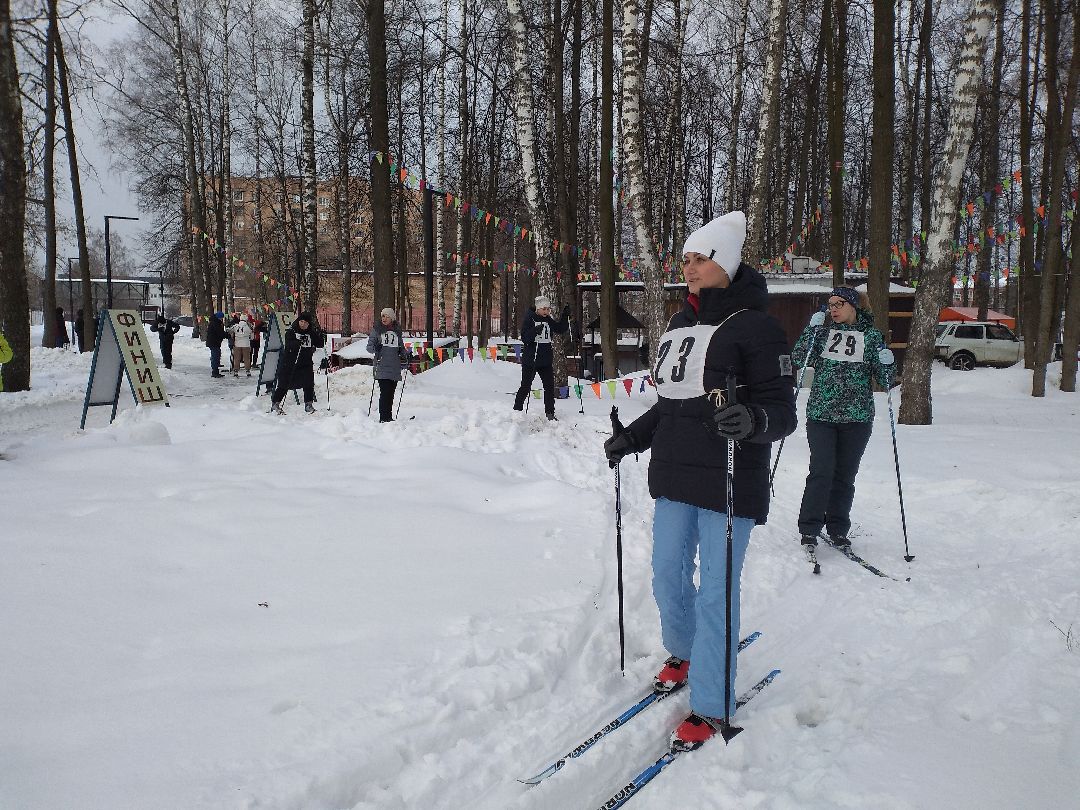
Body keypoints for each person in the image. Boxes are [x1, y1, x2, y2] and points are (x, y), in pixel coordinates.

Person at [603, 211, 797, 751]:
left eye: (699, 259)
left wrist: (753, 419)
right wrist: (632, 438)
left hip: (730, 479)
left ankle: (712, 702)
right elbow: (672, 405)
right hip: (674, 472)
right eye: (685, 258)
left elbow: (783, 412)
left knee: (716, 591)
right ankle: (685, 651)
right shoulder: (677, 323)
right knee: (666, 573)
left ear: (726, 263)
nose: (688, 267)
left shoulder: (757, 327)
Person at [791, 286, 895, 550]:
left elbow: (885, 380)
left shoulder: (871, 336)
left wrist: (888, 362)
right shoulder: (823, 333)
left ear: (854, 306)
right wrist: (811, 330)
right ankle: (809, 528)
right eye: (830, 305)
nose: (833, 309)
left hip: (857, 418)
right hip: (821, 415)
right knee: (821, 471)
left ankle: (838, 528)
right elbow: (799, 358)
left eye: (839, 304)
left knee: (845, 476)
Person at [513, 295, 571, 420]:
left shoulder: (548, 319)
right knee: (526, 386)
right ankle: (517, 409)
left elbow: (560, 329)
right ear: (538, 309)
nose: (546, 311)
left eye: (548, 309)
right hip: (531, 360)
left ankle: (550, 413)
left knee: (549, 387)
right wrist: (534, 331)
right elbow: (525, 338)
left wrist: (565, 316)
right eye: (544, 309)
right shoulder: (530, 318)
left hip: (545, 361)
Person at [270, 311, 325, 414]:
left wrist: (321, 336)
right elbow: (289, 345)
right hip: (290, 363)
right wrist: (298, 342)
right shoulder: (291, 331)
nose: (303, 324)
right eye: (301, 321)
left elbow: (320, 344)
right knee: (284, 383)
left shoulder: (311, 333)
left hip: (306, 363)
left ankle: (308, 404)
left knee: (308, 383)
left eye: (306, 323)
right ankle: (275, 403)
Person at [366, 307, 410, 423]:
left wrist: (406, 355)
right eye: (383, 316)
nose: (384, 318)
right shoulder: (377, 330)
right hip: (382, 365)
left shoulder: (397, 332)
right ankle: (383, 418)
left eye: (387, 316)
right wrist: (376, 348)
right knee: (385, 392)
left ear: (392, 318)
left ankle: (389, 418)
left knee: (391, 393)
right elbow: (369, 348)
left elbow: (401, 348)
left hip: (394, 366)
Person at [206, 312, 226, 377]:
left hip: (214, 342)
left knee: (216, 355)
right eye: (221, 318)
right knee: (215, 356)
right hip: (214, 342)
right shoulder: (215, 323)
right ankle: (215, 372)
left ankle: (215, 370)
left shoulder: (214, 322)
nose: (222, 319)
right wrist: (227, 335)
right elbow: (219, 332)